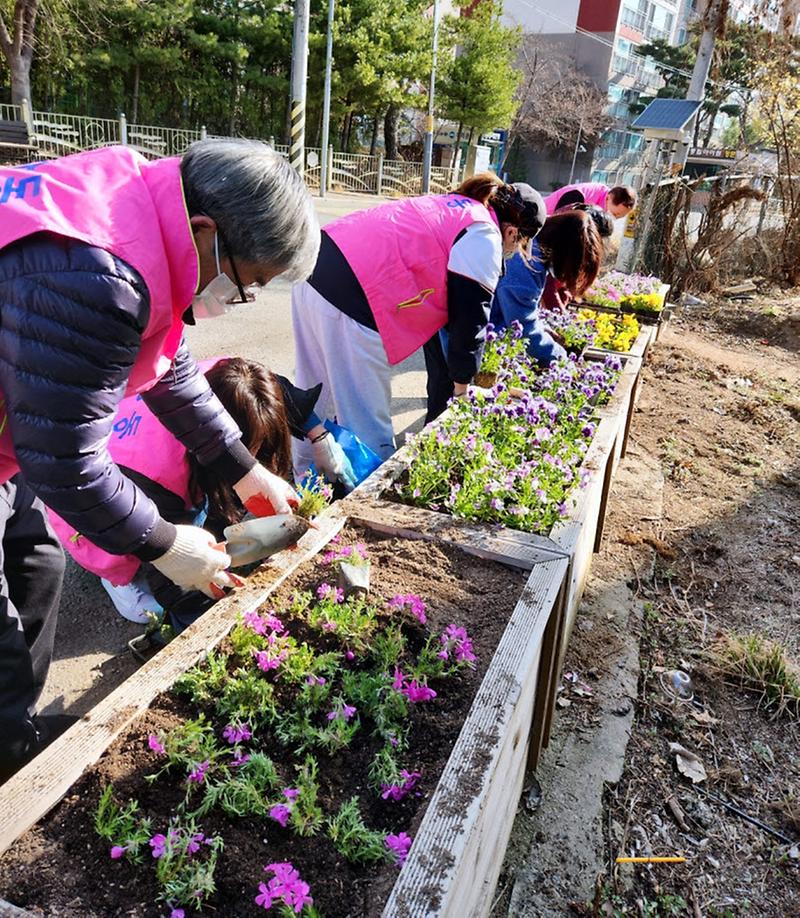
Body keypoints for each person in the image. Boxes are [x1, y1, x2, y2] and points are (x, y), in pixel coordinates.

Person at [0, 138, 319, 780]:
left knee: (37, 563)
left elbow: (166, 365)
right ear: (206, 232)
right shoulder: (100, 275)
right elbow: (65, 459)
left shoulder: (142, 209)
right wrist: (165, 542)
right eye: (247, 283)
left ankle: (11, 739)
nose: (240, 300)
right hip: (31, 432)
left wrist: (243, 468)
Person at [46, 358, 349, 627]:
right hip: (94, 498)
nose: (254, 456)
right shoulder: (158, 474)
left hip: (140, 443)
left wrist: (318, 435)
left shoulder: (227, 379)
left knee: (211, 514)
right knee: (151, 586)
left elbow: (278, 392)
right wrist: (210, 596)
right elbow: (165, 556)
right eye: (249, 448)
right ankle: (118, 580)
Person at [291, 173, 546, 465]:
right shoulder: (484, 234)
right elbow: (470, 322)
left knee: (314, 394)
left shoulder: (459, 204)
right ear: (512, 232)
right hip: (354, 296)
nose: (514, 251)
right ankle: (368, 502)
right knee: (367, 424)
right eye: (520, 244)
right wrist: (461, 390)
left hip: (315, 265)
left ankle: (306, 485)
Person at [491, 209, 603, 366]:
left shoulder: (533, 248)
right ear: (563, 252)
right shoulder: (527, 265)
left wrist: (543, 329)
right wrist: (563, 360)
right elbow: (524, 329)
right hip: (479, 343)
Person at [543, 182, 636, 219]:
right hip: (546, 216)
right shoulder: (583, 196)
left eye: (619, 217)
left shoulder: (603, 199)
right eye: (614, 214)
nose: (613, 218)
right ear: (609, 197)